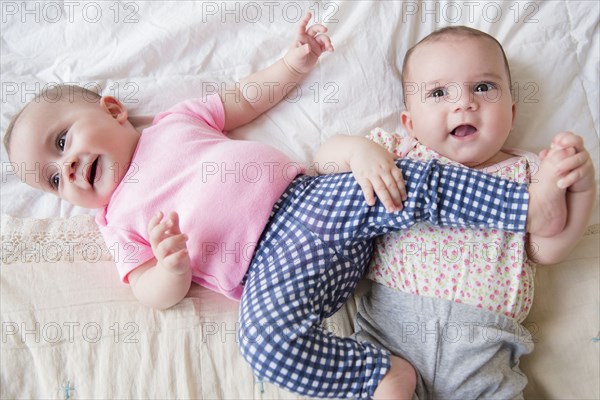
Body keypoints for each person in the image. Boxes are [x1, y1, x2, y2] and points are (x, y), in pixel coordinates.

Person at [2, 16, 579, 399]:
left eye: (63, 142)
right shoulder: (115, 223)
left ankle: (522, 204)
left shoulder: (174, 122)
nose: (69, 169)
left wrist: (294, 64)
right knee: (262, 346)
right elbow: (147, 290)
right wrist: (169, 268)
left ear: (112, 109)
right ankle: (379, 377)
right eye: (53, 180)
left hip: (307, 202)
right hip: (266, 275)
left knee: (393, 179)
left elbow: (244, 98)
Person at [314, 26, 596, 399]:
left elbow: (546, 249)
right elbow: (322, 162)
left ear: (511, 113)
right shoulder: (399, 155)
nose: (464, 103)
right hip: (392, 339)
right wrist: (356, 153)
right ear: (410, 123)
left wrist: (581, 189)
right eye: (438, 93)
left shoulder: (528, 174)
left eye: (482, 87)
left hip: (484, 351)